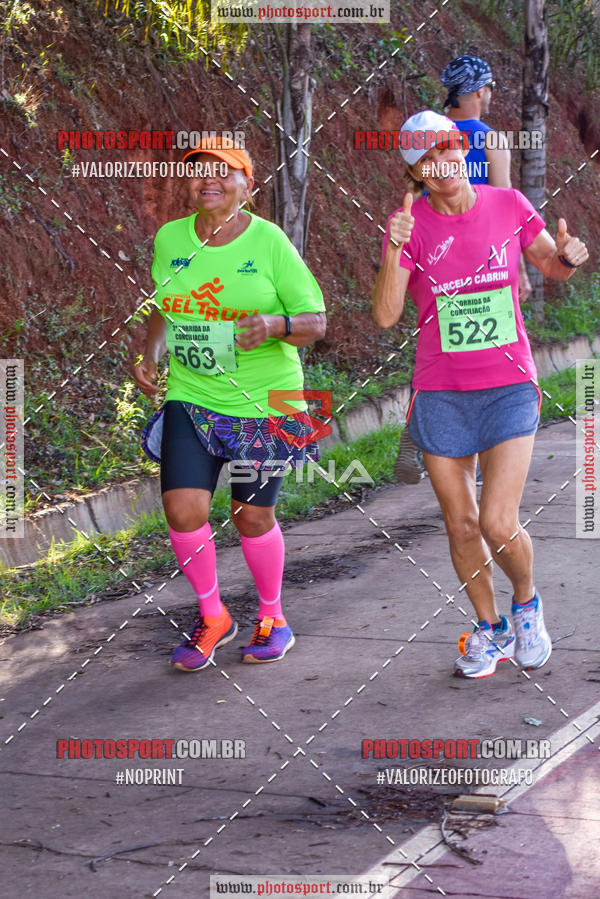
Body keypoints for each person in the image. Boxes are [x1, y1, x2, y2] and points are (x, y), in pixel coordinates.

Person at [373, 110, 588, 678]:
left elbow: (549, 264)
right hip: (441, 392)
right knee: (461, 525)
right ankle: (490, 630)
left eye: (446, 148)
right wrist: (394, 249)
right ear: (415, 170)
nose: (440, 163)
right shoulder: (408, 223)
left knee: (497, 521)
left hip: (509, 386)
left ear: (461, 148)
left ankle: (526, 604)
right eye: (424, 158)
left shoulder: (507, 203)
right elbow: (387, 314)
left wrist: (566, 256)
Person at [134, 138, 326, 671]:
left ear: (247, 184)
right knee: (182, 508)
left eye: (223, 171)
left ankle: (273, 617)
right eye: (197, 172)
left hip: (266, 402)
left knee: (250, 515)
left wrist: (273, 326)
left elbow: (316, 322)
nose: (208, 180)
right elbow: (164, 306)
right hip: (192, 396)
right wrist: (150, 352)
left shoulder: (269, 243)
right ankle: (214, 615)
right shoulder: (171, 238)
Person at [394, 55, 531, 484]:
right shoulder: (489, 141)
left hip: (438, 254)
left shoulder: (423, 136)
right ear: (477, 92)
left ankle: (420, 424)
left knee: (437, 335)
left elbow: (412, 197)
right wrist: (520, 267)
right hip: (486, 254)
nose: (488, 97)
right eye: (487, 89)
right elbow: (506, 204)